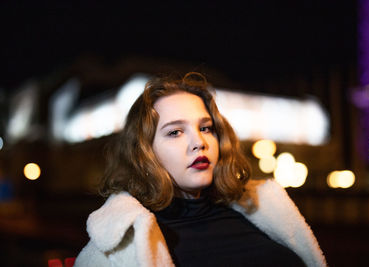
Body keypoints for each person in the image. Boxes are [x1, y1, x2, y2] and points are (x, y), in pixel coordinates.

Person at [75, 72, 326, 267]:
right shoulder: (116, 246)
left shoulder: (264, 209)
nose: (199, 143)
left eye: (205, 128)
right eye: (175, 132)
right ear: (145, 151)